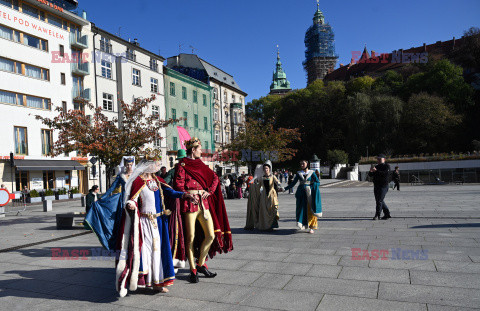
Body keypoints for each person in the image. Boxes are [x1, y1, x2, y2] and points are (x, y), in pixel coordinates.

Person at [115, 151, 194, 297]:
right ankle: (145, 280)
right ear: (149, 165)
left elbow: (170, 192)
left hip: (159, 222)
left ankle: (158, 283)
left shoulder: (158, 180)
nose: (158, 166)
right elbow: (133, 197)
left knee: (158, 252)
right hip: (144, 223)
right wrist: (131, 204)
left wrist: (184, 194)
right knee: (146, 253)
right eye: (156, 164)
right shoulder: (138, 181)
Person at [174, 137, 233, 283]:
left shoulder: (201, 165)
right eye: (199, 149)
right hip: (189, 204)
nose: (201, 151)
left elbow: (215, 178)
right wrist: (187, 195)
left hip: (203, 203)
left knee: (211, 235)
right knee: (190, 237)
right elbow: (178, 184)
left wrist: (210, 191)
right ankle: (193, 270)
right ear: (193, 150)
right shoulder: (181, 165)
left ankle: (200, 263)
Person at [84, 157, 135, 250]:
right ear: (125, 165)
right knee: (121, 221)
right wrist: (102, 198)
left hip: (134, 199)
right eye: (127, 164)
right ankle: (122, 243)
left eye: (130, 164)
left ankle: (133, 242)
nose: (129, 166)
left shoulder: (136, 175)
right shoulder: (121, 176)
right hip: (123, 201)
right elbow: (112, 188)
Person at [161, 149, 188, 270]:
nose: (183, 162)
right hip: (178, 201)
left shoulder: (187, 170)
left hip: (188, 201)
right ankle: (176, 257)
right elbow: (164, 183)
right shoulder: (174, 171)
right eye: (182, 160)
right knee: (177, 228)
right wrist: (172, 191)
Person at [284, 160, 322, 234]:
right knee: (302, 209)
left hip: (310, 193)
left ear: (307, 164)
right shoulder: (299, 173)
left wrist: (312, 186)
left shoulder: (312, 173)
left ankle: (312, 227)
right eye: (300, 164)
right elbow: (293, 183)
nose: (302, 165)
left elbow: (317, 182)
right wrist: (284, 189)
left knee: (311, 209)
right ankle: (303, 224)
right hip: (301, 194)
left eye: (303, 163)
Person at [245, 161, 283, 231]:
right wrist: (252, 186)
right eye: (265, 169)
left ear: (269, 169)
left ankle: (272, 225)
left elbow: (277, 182)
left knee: (272, 209)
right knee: (264, 211)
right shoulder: (261, 178)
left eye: (267, 169)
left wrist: (280, 185)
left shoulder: (273, 176)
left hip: (271, 195)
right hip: (264, 196)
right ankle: (265, 225)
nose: (266, 170)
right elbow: (257, 186)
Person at [369, 154, 392, 220]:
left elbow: (385, 174)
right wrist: (371, 171)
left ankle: (377, 215)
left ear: (384, 159)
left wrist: (376, 171)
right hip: (376, 186)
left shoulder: (387, 166)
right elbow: (370, 175)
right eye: (377, 159)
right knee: (379, 200)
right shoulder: (376, 166)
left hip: (384, 186)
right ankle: (387, 213)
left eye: (380, 159)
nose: (378, 160)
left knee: (379, 201)